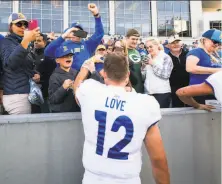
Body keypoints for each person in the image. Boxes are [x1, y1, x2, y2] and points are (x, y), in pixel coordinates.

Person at [73, 53, 170, 184]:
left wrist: (86, 65)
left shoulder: (90, 90)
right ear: (128, 74)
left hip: (93, 178)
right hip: (127, 178)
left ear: (104, 73)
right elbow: (158, 160)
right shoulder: (146, 103)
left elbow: (77, 85)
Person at [44, 3, 104, 72]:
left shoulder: (87, 45)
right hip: (66, 79)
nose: (77, 34)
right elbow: (47, 52)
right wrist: (63, 37)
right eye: (74, 31)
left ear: (83, 34)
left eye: (79, 32)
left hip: (84, 78)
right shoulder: (62, 45)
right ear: (69, 32)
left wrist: (96, 15)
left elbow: (100, 33)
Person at [0, 13, 40, 114]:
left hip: (25, 92)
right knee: (21, 128)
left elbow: (24, 67)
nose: (22, 27)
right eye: (18, 24)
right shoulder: (6, 42)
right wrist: (26, 41)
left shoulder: (21, 43)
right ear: (10, 27)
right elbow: (11, 64)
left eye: (25, 25)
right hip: (16, 95)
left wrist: (34, 74)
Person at [186, 29, 222, 104]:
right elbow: (190, 68)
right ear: (204, 40)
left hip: (215, 91)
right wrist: (217, 70)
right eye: (215, 42)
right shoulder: (196, 52)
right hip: (199, 92)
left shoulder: (218, 54)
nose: (217, 45)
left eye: (219, 43)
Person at [142, 38, 173, 108]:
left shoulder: (166, 57)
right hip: (148, 93)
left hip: (162, 93)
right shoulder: (147, 57)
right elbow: (144, 76)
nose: (149, 49)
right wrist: (143, 68)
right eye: (147, 47)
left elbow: (165, 75)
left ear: (157, 46)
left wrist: (153, 63)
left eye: (151, 46)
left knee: (162, 116)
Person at [48, 45, 80, 113]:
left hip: (77, 112)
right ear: (57, 60)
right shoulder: (55, 76)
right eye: (65, 56)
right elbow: (52, 99)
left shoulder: (76, 73)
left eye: (70, 56)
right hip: (63, 115)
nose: (68, 58)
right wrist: (63, 87)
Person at [31, 33, 56, 113]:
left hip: (45, 91)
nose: (36, 42)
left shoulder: (49, 56)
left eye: (38, 41)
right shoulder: (30, 54)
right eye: (34, 40)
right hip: (32, 90)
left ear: (44, 43)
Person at [168, 36, 189, 107]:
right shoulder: (166, 57)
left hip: (189, 86)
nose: (175, 44)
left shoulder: (189, 54)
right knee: (177, 108)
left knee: (191, 108)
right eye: (172, 43)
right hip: (174, 88)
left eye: (177, 42)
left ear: (181, 44)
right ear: (168, 46)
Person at [126, 29, 144, 93]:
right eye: (133, 39)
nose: (135, 41)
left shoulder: (137, 52)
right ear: (127, 38)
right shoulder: (122, 51)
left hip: (140, 87)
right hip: (128, 89)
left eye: (137, 39)